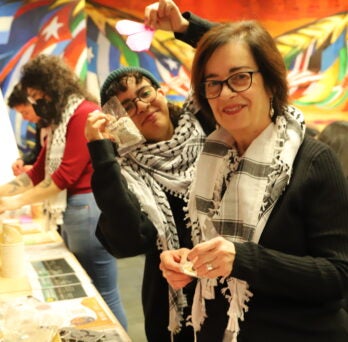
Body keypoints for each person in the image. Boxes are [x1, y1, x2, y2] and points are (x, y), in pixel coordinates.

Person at [146, 3, 348, 341]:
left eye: (240, 78)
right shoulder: (213, 158)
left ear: (270, 82)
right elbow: (220, 260)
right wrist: (189, 263)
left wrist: (243, 258)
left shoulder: (312, 161)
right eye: (213, 84)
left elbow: (339, 274)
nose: (226, 93)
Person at [85, 66, 215, 341]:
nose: (142, 106)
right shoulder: (125, 170)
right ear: (119, 121)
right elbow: (131, 240)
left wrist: (183, 26)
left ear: (160, 92)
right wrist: (101, 153)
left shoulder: (211, 130)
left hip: (233, 289)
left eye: (144, 93)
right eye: (128, 107)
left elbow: (228, 55)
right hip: (173, 308)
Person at [0, 54, 127, 330]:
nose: (35, 103)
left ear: (52, 88)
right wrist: (2, 194)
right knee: (90, 291)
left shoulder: (83, 114)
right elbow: (38, 172)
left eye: (37, 96)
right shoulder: (62, 120)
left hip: (88, 209)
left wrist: (11, 202)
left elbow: (63, 175)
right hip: (75, 211)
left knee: (104, 293)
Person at [7, 83, 44, 176]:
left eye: (25, 112)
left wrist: (37, 170)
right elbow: (38, 152)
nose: (24, 118)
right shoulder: (40, 124)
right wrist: (22, 161)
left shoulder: (56, 124)